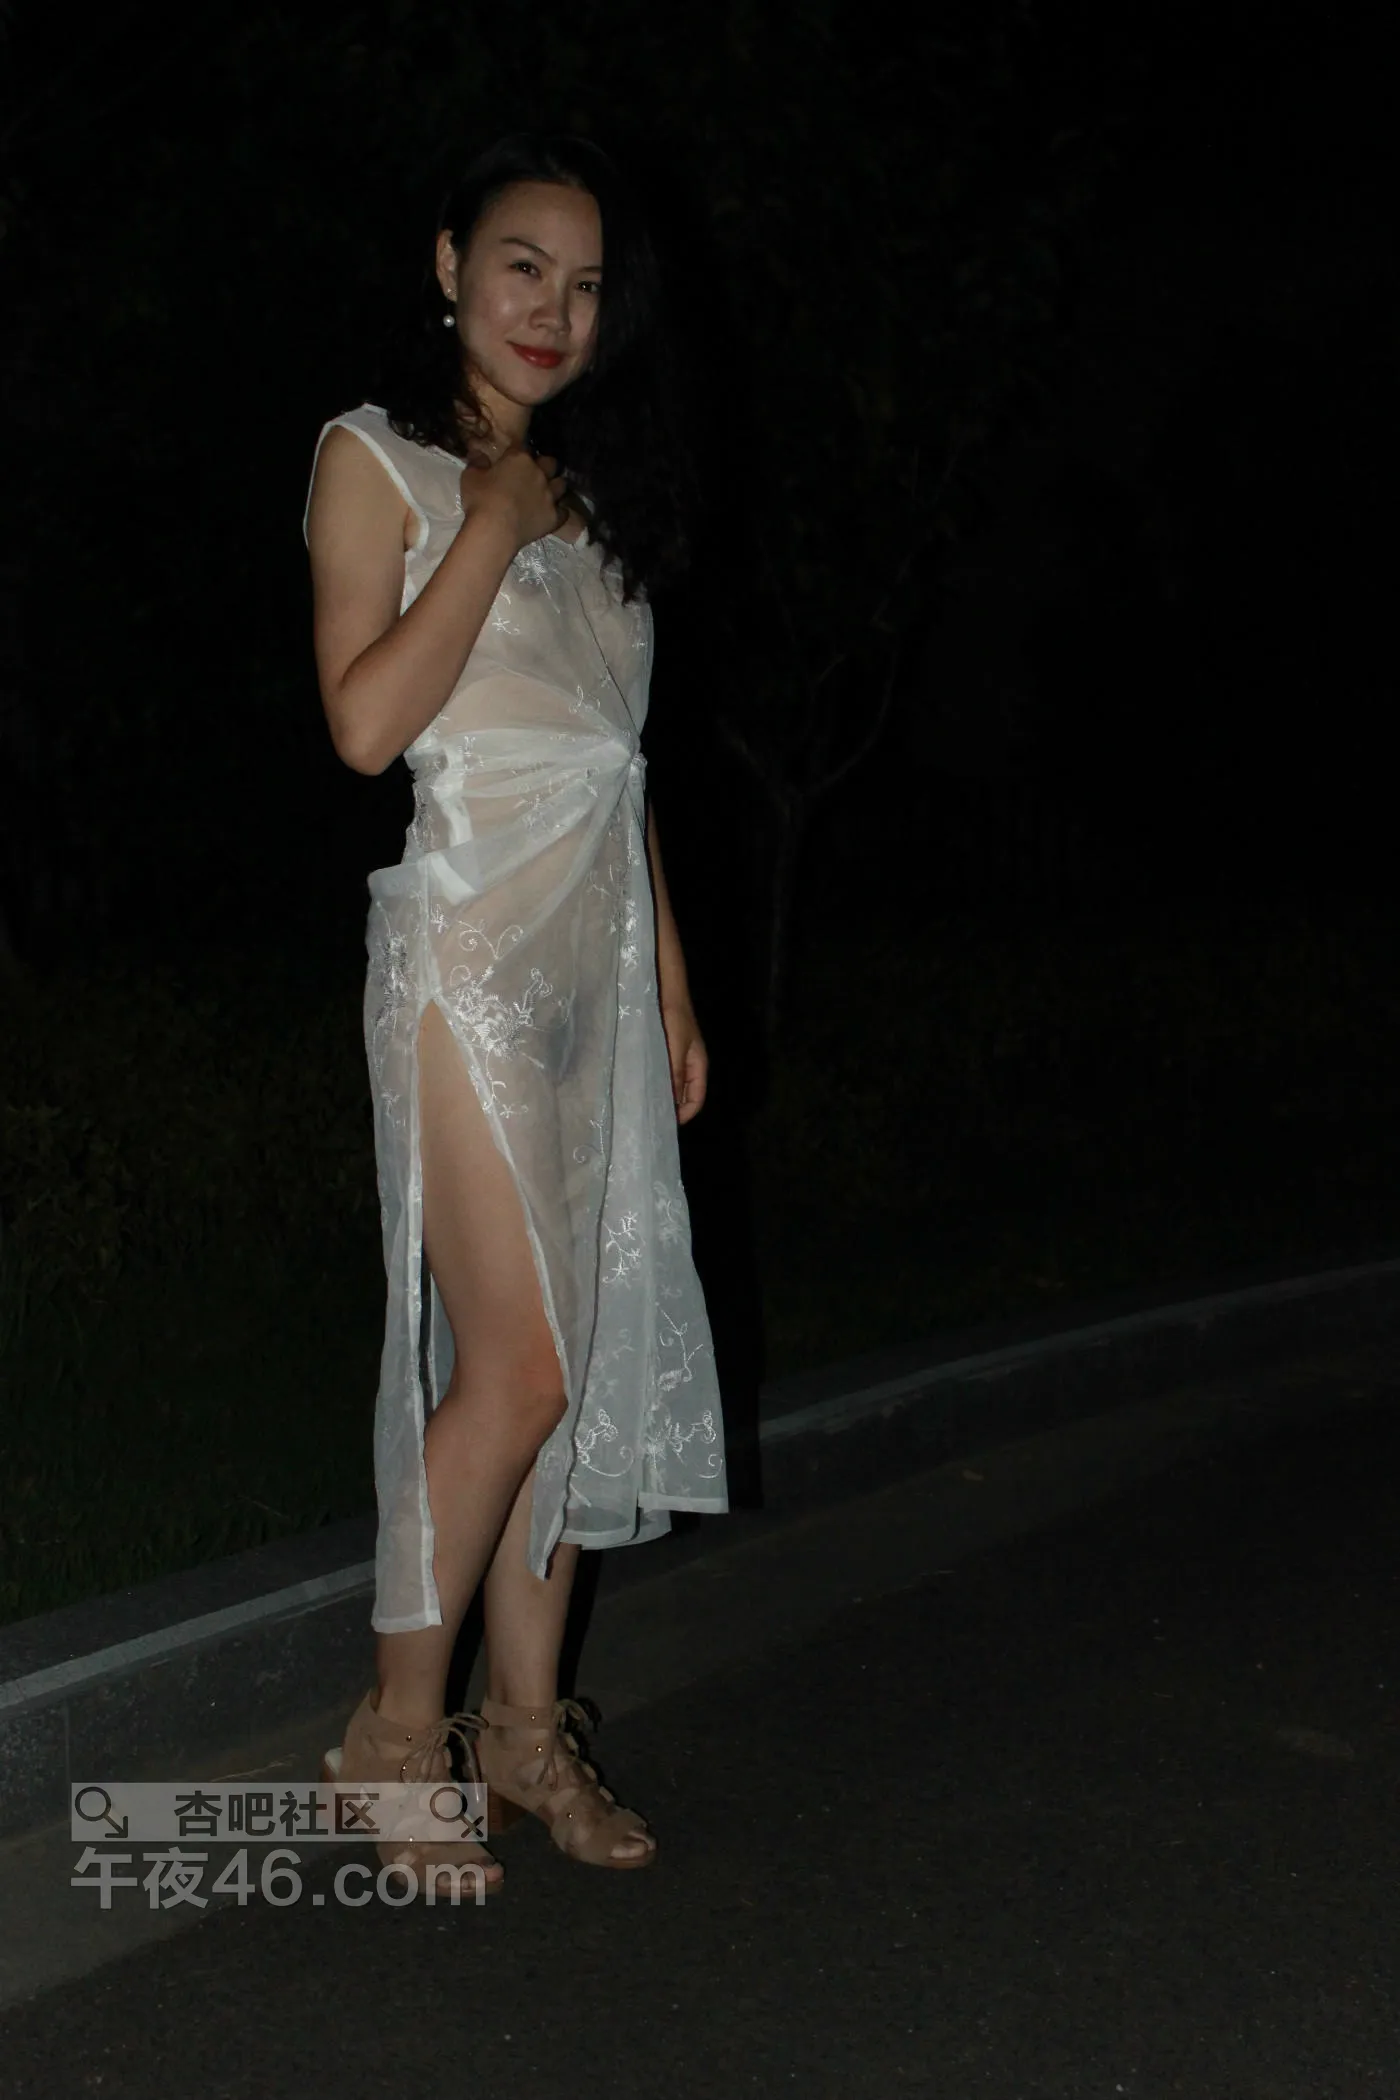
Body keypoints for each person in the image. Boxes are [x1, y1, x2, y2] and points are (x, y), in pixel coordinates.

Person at [303, 133, 727, 1894]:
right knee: (523, 1366)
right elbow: (363, 726)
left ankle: (529, 1738)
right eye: (522, 265)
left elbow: (617, 767)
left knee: (574, 1366)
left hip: (595, 974)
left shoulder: (592, 498)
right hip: (469, 963)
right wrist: (487, 520)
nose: (553, 307)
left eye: (587, 283)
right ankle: (395, 1740)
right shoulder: (377, 461)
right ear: (449, 266)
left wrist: (673, 984)